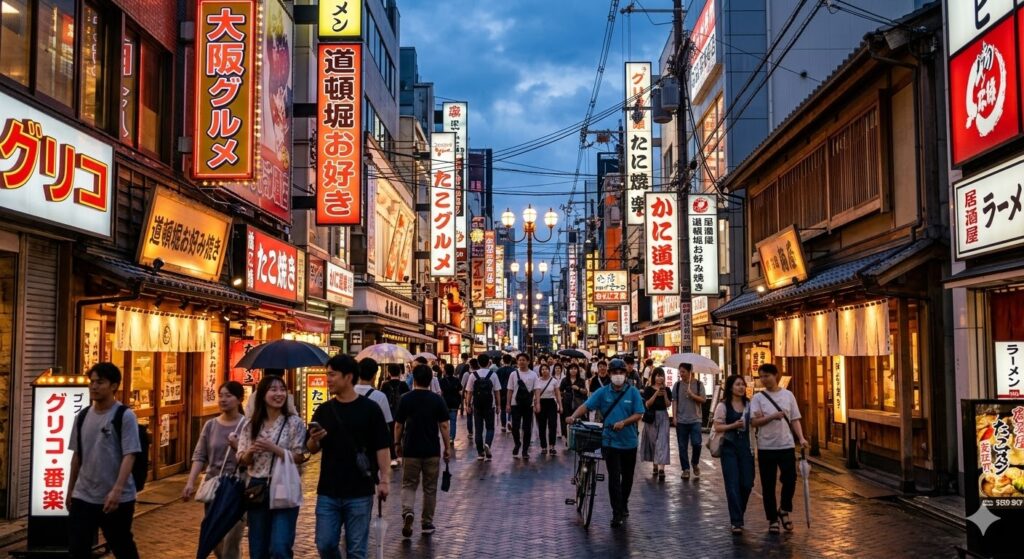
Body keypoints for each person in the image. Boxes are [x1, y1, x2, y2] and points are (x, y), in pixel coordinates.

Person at [308, 355, 391, 559]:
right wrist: (314, 439)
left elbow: (382, 447)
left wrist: (385, 480)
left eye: (332, 375)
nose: (328, 379)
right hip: (328, 490)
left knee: (356, 550)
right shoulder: (324, 410)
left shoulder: (370, 409)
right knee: (325, 544)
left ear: (348, 377)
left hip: (360, 491)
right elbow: (310, 448)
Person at [67, 363, 142, 559]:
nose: (94, 387)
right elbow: (77, 456)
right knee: (77, 549)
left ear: (114, 386)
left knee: (122, 546)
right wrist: (70, 490)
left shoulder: (124, 416)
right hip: (84, 495)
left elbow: (130, 454)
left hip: (117, 498)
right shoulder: (82, 416)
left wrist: (117, 489)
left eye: (100, 382)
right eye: (91, 382)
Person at [567, 359, 645, 528]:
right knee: (614, 478)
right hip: (609, 441)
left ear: (625, 374)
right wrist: (573, 416)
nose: (618, 376)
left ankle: (623, 503)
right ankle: (616, 512)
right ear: (610, 375)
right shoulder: (602, 392)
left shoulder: (633, 393)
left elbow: (639, 413)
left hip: (629, 442)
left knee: (628, 478)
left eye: (621, 373)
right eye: (615, 373)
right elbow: (586, 407)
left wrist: (624, 422)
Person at [237, 375, 307, 559]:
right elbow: (242, 460)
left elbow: (299, 456)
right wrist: (250, 451)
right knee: (258, 547)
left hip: (285, 483)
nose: (279, 394)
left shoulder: (294, 423)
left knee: (280, 546)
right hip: (257, 486)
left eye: (282, 389)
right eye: (273, 389)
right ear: (262, 394)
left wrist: (274, 449)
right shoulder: (251, 425)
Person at [183, 381, 246, 559]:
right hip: (214, 487)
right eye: (221, 395)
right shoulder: (210, 425)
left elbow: (252, 457)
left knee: (232, 540)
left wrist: (236, 447)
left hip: (236, 489)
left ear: (240, 399)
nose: (223, 399)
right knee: (215, 541)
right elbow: (200, 455)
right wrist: (190, 482)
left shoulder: (247, 425)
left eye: (228, 395)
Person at [750, 363, 808, 534]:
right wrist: (772, 416)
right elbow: (754, 422)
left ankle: (784, 509)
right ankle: (772, 519)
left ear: (776, 375)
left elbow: (795, 419)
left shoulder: (788, 395)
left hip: (786, 445)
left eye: (767, 375)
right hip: (766, 446)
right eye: (761, 376)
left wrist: (802, 438)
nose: (764, 379)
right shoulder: (758, 399)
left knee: (790, 480)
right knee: (768, 485)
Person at [394, 364, 451, 538]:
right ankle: (426, 522)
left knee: (409, 484)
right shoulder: (437, 399)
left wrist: (397, 444)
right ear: (430, 380)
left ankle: (408, 511)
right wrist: (447, 447)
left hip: (411, 448)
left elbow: (398, 425)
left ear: (415, 379)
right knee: (430, 488)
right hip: (431, 449)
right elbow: (444, 425)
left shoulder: (405, 398)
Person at [714, 374, 755, 535]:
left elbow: (755, 422)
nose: (741, 387)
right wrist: (733, 425)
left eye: (743, 385)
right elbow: (718, 427)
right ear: (730, 387)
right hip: (729, 448)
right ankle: (736, 521)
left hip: (746, 447)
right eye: (738, 384)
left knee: (747, 483)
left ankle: (739, 512)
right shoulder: (723, 406)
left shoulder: (750, 404)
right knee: (732, 484)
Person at [356, 358, 395, 468]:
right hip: (372, 448)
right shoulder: (380, 396)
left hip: (350, 447)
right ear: (374, 375)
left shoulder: (349, 393)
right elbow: (387, 425)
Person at [673, 363, 706, 479]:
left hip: (695, 419)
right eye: (680, 372)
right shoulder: (677, 386)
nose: (681, 374)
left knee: (697, 443)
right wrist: (675, 417)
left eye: (683, 372)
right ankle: (685, 469)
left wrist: (692, 395)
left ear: (690, 371)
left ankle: (695, 462)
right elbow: (675, 401)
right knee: (682, 446)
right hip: (681, 420)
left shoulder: (698, 384)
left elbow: (703, 400)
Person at [465, 354, 500, 461]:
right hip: (490, 405)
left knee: (478, 429)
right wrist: (498, 405)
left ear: (478, 363)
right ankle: (487, 444)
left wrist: (467, 405)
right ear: (489, 363)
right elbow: (497, 391)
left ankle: (480, 453)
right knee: (490, 428)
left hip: (477, 405)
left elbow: (469, 392)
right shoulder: (493, 375)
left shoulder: (473, 375)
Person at [640, 368, 672, 478]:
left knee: (662, 442)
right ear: (654, 377)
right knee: (653, 442)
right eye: (657, 375)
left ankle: (662, 469)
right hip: (651, 417)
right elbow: (647, 404)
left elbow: (668, 405)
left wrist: (664, 395)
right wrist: (656, 394)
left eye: (661, 375)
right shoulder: (648, 389)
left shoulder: (667, 389)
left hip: (663, 416)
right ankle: (655, 465)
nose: (660, 378)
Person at [507, 354, 539, 459]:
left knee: (527, 428)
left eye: (523, 360)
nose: (521, 362)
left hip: (528, 405)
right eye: (519, 360)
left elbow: (536, 390)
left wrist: (537, 402)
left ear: (528, 361)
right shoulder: (513, 374)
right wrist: (508, 404)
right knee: (515, 427)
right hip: (515, 404)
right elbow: (510, 390)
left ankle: (525, 450)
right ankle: (517, 443)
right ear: (517, 362)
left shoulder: (533, 375)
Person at [381, 364, 410, 467]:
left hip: (388, 413)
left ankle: (393, 457)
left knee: (391, 435)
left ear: (389, 373)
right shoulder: (403, 385)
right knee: (402, 434)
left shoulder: (384, 385)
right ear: (400, 373)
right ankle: (401, 455)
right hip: (401, 413)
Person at [533, 364, 562, 455]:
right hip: (540, 403)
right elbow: (535, 394)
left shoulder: (554, 381)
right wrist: (536, 404)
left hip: (551, 403)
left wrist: (560, 405)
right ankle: (544, 447)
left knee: (552, 425)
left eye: (546, 369)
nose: (544, 371)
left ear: (549, 370)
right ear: (540, 371)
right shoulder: (537, 381)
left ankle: (552, 446)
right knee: (542, 426)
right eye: (542, 369)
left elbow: (558, 394)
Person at [560, 364, 587, 447]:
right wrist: (564, 394)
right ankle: (568, 439)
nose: (573, 370)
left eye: (575, 368)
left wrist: (578, 388)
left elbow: (585, 392)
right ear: (568, 370)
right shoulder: (565, 380)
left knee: (578, 421)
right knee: (566, 421)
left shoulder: (581, 380)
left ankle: (577, 439)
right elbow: (559, 391)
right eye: (571, 369)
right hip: (566, 403)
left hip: (578, 404)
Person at [438, 364, 463, 446]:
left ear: (445, 371)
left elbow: (440, 393)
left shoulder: (441, 381)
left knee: (444, 422)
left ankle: (446, 437)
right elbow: (460, 391)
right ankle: (451, 438)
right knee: (453, 422)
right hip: (454, 403)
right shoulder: (456, 380)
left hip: (444, 404)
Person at [459, 358, 479, 440]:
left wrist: (463, 395)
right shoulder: (480, 373)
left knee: (469, 416)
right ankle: (478, 431)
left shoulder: (467, 374)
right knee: (478, 416)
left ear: (470, 365)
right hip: (478, 397)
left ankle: (470, 433)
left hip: (469, 397)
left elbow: (462, 386)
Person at [495, 355, 516, 431]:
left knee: (503, 408)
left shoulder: (499, 370)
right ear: (511, 361)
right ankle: (509, 420)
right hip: (511, 391)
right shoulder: (514, 371)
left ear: (503, 361)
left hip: (501, 391)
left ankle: (503, 425)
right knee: (511, 406)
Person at [552, 363, 567, 440]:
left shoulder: (564, 378)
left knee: (561, 415)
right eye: (556, 368)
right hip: (553, 398)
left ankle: (562, 431)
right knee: (556, 416)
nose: (557, 369)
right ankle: (558, 432)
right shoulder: (552, 378)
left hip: (562, 398)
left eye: (559, 368)